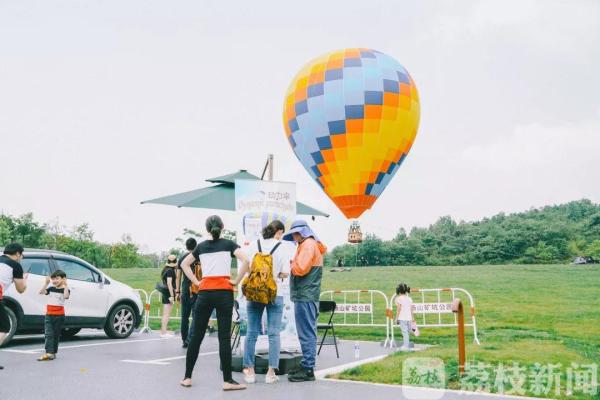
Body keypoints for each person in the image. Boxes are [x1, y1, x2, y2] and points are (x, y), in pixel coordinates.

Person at [179, 215, 250, 391]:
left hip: (205, 293)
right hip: (224, 292)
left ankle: (187, 377)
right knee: (224, 337)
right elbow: (247, 261)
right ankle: (227, 380)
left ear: (206, 229)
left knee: (196, 335)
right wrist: (236, 281)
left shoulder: (201, 247)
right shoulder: (229, 244)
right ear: (222, 227)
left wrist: (197, 282)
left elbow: (184, 264)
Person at [241, 220, 289, 385]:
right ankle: (270, 373)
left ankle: (250, 371)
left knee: (251, 332)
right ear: (278, 232)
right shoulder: (282, 246)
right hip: (275, 293)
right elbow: (285, 273)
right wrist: (274, 276)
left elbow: (246, 266)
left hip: (255, 292)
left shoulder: (254, 244)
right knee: (274, 334)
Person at [283, 220, 326, 382]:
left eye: (296, 233)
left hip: (305, 295)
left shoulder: (307, 245)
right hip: (308, 295)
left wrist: (288, 264)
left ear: (303, 232)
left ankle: (308, 368)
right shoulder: (310, 244)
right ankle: (306, 364)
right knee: (308, 331)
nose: (294, 236)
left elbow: (300, 269)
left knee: (306, 332)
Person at [0, 243, 27, 370]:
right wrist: (24, 280)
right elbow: (21, 289)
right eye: (21, 255)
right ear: (17, 254)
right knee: (4, 327)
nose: (21, 258)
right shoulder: (16, 265)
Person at [37, 270, 70, 361]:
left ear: (63, 279)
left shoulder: (65, 289)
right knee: (48, 334)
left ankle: (53, 352)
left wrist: (66, 285)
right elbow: (41, 292)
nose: (55, 280)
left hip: (59, 316)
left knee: (56, 335)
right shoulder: (51, 288)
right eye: (53, 279)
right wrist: (46, 284)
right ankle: (49, 352)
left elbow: (66, 296)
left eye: (57, 278)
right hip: (49, 315)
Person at [177, 238, 198, 348]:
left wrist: (177, 291)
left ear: (186, 246)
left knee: (184, 317)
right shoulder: (198, 257)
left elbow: (178, 276)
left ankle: (184, 339)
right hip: (196, 289)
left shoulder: (182, 258)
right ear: (196, 246)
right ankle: (189, 339)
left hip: (185, 289)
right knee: (195, 316)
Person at [160, 255, 178, 338]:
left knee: (165, 314)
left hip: (165, 293)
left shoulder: (165, 270)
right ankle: (163, 333)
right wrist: (172, 296)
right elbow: (169, 283)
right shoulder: (170, 271)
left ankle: (163, 332)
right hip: (168, 293)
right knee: (166, 314)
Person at [395, 283, 415, 351]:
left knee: (404, 332)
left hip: (402, 318)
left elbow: (399, 309)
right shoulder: (409, 299)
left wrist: (396, 318)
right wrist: (413, 318)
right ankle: (407, 346)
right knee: (407, 332)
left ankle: (406, 346)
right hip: (409, 318)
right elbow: (411, 309)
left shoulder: (398, 299)